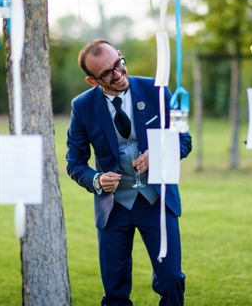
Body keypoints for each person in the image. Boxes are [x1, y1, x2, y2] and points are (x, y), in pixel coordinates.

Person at [66, 39, 191, 306]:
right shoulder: (82, 107)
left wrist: (158, 155)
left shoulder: (157, 90)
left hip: (156, 201)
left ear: (121, 56)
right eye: (107, 74)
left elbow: (184, 141)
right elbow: (74, 162)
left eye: (118, 64)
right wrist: (96, 180)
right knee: (115, 291)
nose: (119, 74)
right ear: (92, 81)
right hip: (113, 209)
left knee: (171, 280)